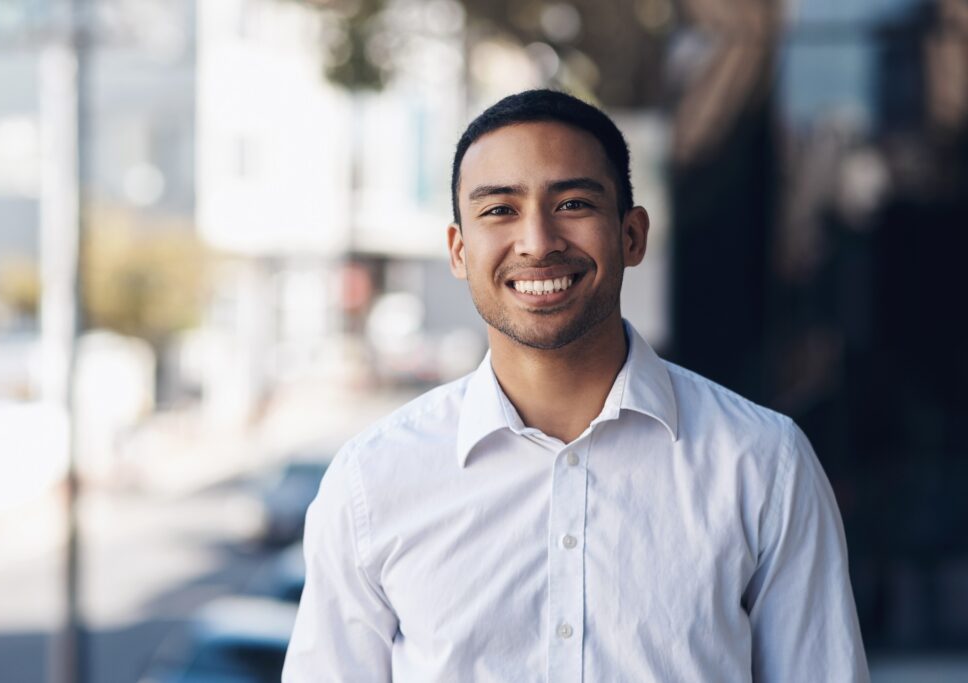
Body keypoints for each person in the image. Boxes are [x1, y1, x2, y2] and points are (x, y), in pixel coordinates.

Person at [281, 89, 869, 682]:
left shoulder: (763, 462)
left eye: (573, 203)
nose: (537, 242)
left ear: (632, 235)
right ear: (458, 251)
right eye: (499, 210)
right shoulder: (372, 482)